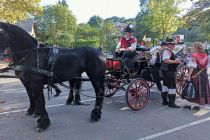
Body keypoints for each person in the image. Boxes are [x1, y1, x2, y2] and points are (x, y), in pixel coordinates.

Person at [186, 42, 210, 108]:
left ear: (196, 47)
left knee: (195, 87)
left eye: (194, 46)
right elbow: (207, 65)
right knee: (204, 87)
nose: (193, 48)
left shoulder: (194, 55)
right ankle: (203, 101)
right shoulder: (205, 55)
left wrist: (189, 76)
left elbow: (192, 67)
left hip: (196, 74)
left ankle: (196, 103)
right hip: (204, 74)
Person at [160, 38, 182, 108]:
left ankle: (164, 101)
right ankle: (171, 103)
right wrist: (176, 61)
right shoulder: (167, 51)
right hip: (169, 71)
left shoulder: (165, 50)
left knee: (165, 86)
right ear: (169, 45)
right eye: (173, 45)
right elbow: (166, 60)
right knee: (172, 87)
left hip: (165, 71)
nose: (174, 46)